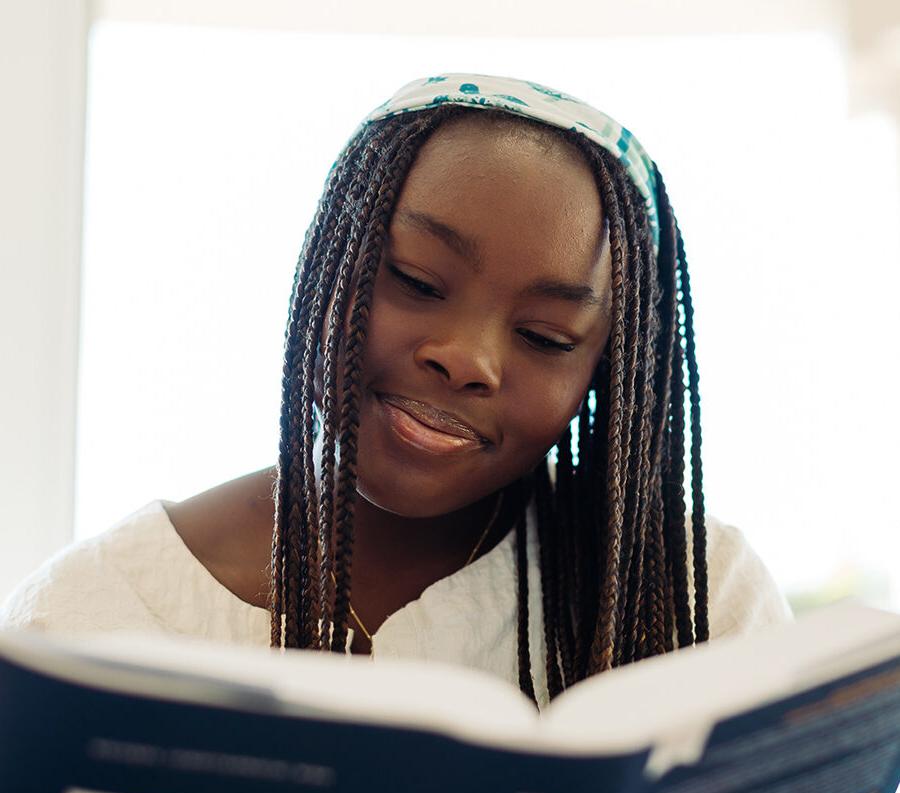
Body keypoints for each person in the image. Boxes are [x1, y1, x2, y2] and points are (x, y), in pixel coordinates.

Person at [0, 73, 791, 709]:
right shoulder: (86, 619)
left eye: (545, 337)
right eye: (415, 281)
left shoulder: (700, 600)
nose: (466, 358)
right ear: (326, 265)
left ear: (602, 376)